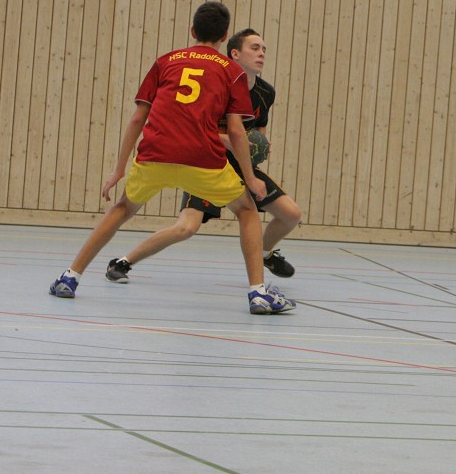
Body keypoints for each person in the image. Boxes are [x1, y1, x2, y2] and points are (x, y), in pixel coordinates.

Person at [48, 2, 295, 315]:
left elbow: (138, 119)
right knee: (247, 210)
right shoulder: (231, 72)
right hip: (202, 160)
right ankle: (258, 293)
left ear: (192, 31)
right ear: (225, 37)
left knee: (122, 208)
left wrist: (119, 169)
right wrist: (250, 178)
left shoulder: (165, 61)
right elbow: (236, 132)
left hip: (155, 155)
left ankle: (70, 277)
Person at [102, 29, 305, 309]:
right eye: (255, 48)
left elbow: (257, 132)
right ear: (235, 53)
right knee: (186, 228)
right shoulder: (218, 81)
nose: (261, 54)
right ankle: (124, 261)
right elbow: (203, 131)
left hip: (241, 166)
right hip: (208, 164)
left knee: (291, 215)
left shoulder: (265, 92)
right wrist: (233, 142)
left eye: (264, 49)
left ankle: (266, 254)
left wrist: (259, 145)